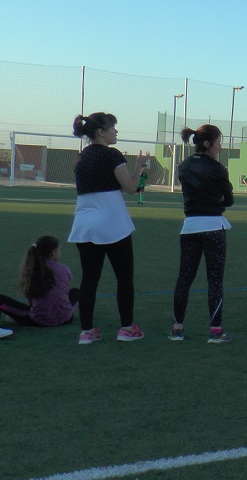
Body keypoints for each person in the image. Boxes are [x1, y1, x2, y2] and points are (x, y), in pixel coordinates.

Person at [68, 112, 149, 345]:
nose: (116, 131)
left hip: (85, 224)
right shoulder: (112, 155)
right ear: (101, 132)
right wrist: (138, 167)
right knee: (124, 277)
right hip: (113, 223)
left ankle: (87, 332)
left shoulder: (82, 157)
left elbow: (108, 185)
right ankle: (126, 328)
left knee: (89, 280)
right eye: (112, 127)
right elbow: (131, 188)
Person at [171, 124, 234, 343]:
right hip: (214, 227)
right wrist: (218, 200)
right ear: (208, 144)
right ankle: (215, 331)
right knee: (214, 280)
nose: (220, 147)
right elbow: (229, 200)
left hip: (189, 227)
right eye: (218, 143)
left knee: (184, 279)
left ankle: (177, 329)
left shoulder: (184, 166)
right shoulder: (218, 168)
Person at [0, 236, 78, 327]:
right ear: (53, 253)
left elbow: (30, 297)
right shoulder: (64, 269)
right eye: (59, 250)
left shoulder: (32, 269)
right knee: (76, 292)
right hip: (66, 318)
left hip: (38, 320)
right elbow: (63, 291)